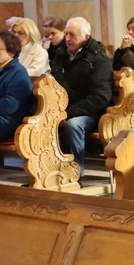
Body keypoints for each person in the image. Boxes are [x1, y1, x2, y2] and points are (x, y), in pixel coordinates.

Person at [50, 17, 113, 177]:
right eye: (66, 34)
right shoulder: (61, 54)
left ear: (86, 36)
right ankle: (49, 169)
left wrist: (68, 113)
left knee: (73, 125)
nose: (67, 38)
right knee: (39, 121)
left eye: (72, 35)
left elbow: (100, 97)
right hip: (63, 108)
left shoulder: (98, 59)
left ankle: (76, 170)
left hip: (91, 112)